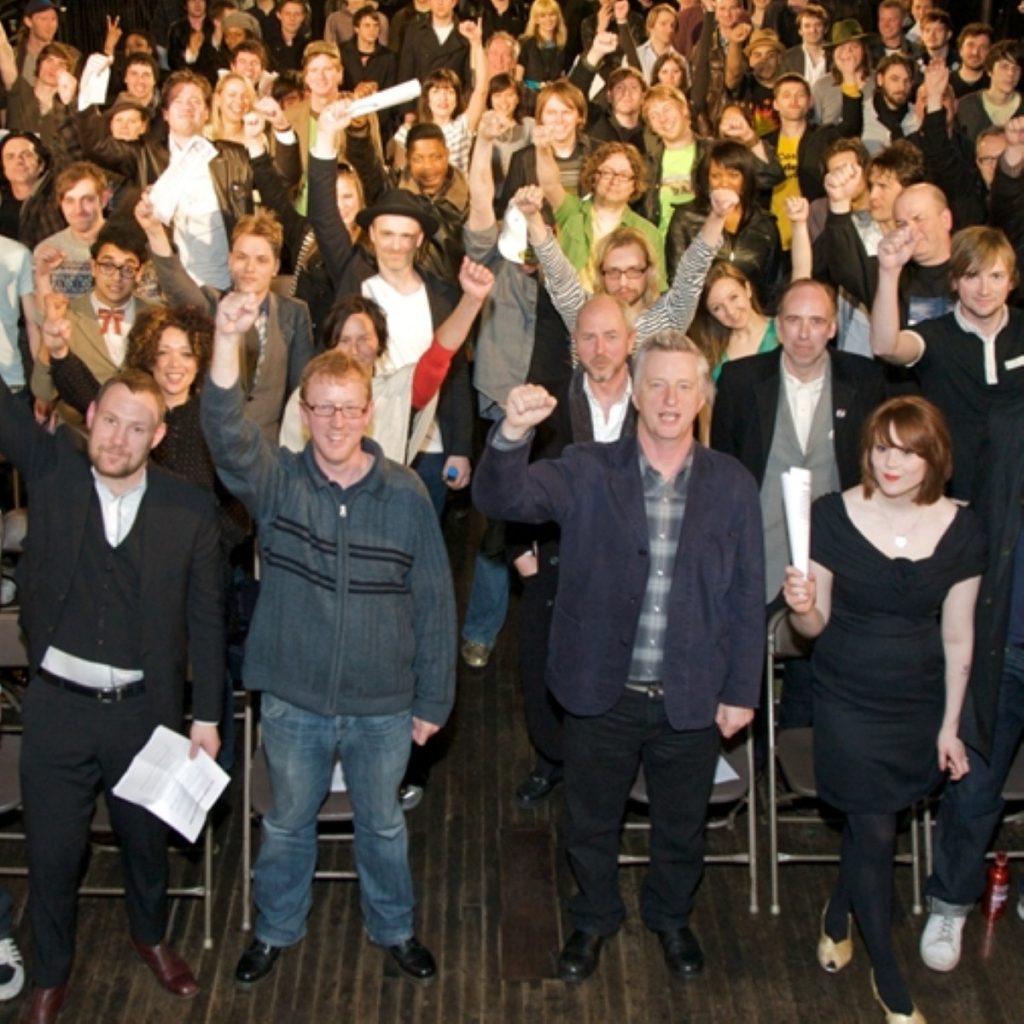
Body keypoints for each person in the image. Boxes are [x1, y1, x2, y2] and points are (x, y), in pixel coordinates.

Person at [472, 330, 764, 984]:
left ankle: (670, 917)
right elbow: (501, 499)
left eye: (682, 385)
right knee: (590, 821)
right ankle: (593, 916)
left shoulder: (733, 485)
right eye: (655, 383)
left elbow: (748, 594)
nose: (667, 398)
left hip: (691, 694)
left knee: (682, 827)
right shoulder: (584, 467)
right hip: (601, 691)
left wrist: (741, 689)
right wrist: (512, 435)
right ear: (634, 391)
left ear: (702, 395)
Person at [201, 291, 456, 990]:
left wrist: (434, 698)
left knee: (381, 828)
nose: (338, 421)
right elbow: (224, 434)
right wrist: (226, 341)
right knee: (286, 827)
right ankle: (274, 930)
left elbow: (435, 604)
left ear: (370, 411)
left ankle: (395, 928)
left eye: (351, 407)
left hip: (383, 707)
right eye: (324, 408)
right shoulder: (279, 484)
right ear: (304, 414)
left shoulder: (406, 494)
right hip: (294, 700)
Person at [4, 363, 224, 1024]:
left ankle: (150, 937)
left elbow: (208, 620)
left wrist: (207, 716)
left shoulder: (190, 508)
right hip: (55, 710)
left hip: (143, 714)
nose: (118, 439)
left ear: (157, 436)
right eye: (109, 421)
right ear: (89, 416)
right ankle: (49, 974)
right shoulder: (51, 474)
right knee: (51, 852)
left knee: (146, 846)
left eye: (136, 428)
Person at [783, 395, 985, 1023]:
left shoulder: (964, 528)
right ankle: (889, 977)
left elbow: (958, 636)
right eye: (881, 448)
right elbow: (812, 626)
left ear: (934, 458)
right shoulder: (832, 515)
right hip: (846, 696)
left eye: (908, 451)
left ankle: (839, 908)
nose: (891, 462)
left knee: (879, 826)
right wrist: (801, 601)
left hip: (920, 702)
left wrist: (951, 727)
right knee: (872, 827)